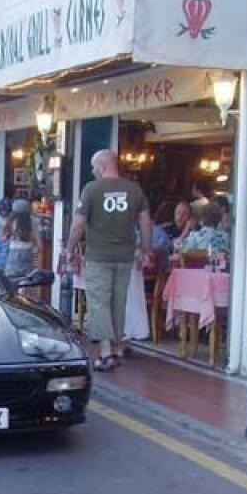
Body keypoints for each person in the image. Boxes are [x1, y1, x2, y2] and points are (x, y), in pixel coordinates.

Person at [62, 148, 154, 372]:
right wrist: (146, 250)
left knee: (100, 303)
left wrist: (69, 248)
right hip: (125, 257)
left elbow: (78, 224)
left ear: (103, 166)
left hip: (99, 256)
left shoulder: (92, 190)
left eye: (94, 167)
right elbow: (145, 223)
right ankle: (118, 347)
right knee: (118, 301)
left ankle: (105, 353)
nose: (93, 172)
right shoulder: (134, 190)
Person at [2, 200, 40, 279]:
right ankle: (24, 290)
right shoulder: (33, 221)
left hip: (14, 251)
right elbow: (36, 237)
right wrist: (37, 248)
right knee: (27, 278)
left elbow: (4, 238)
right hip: (28, 251)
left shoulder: (10, 220)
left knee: (12, 277)